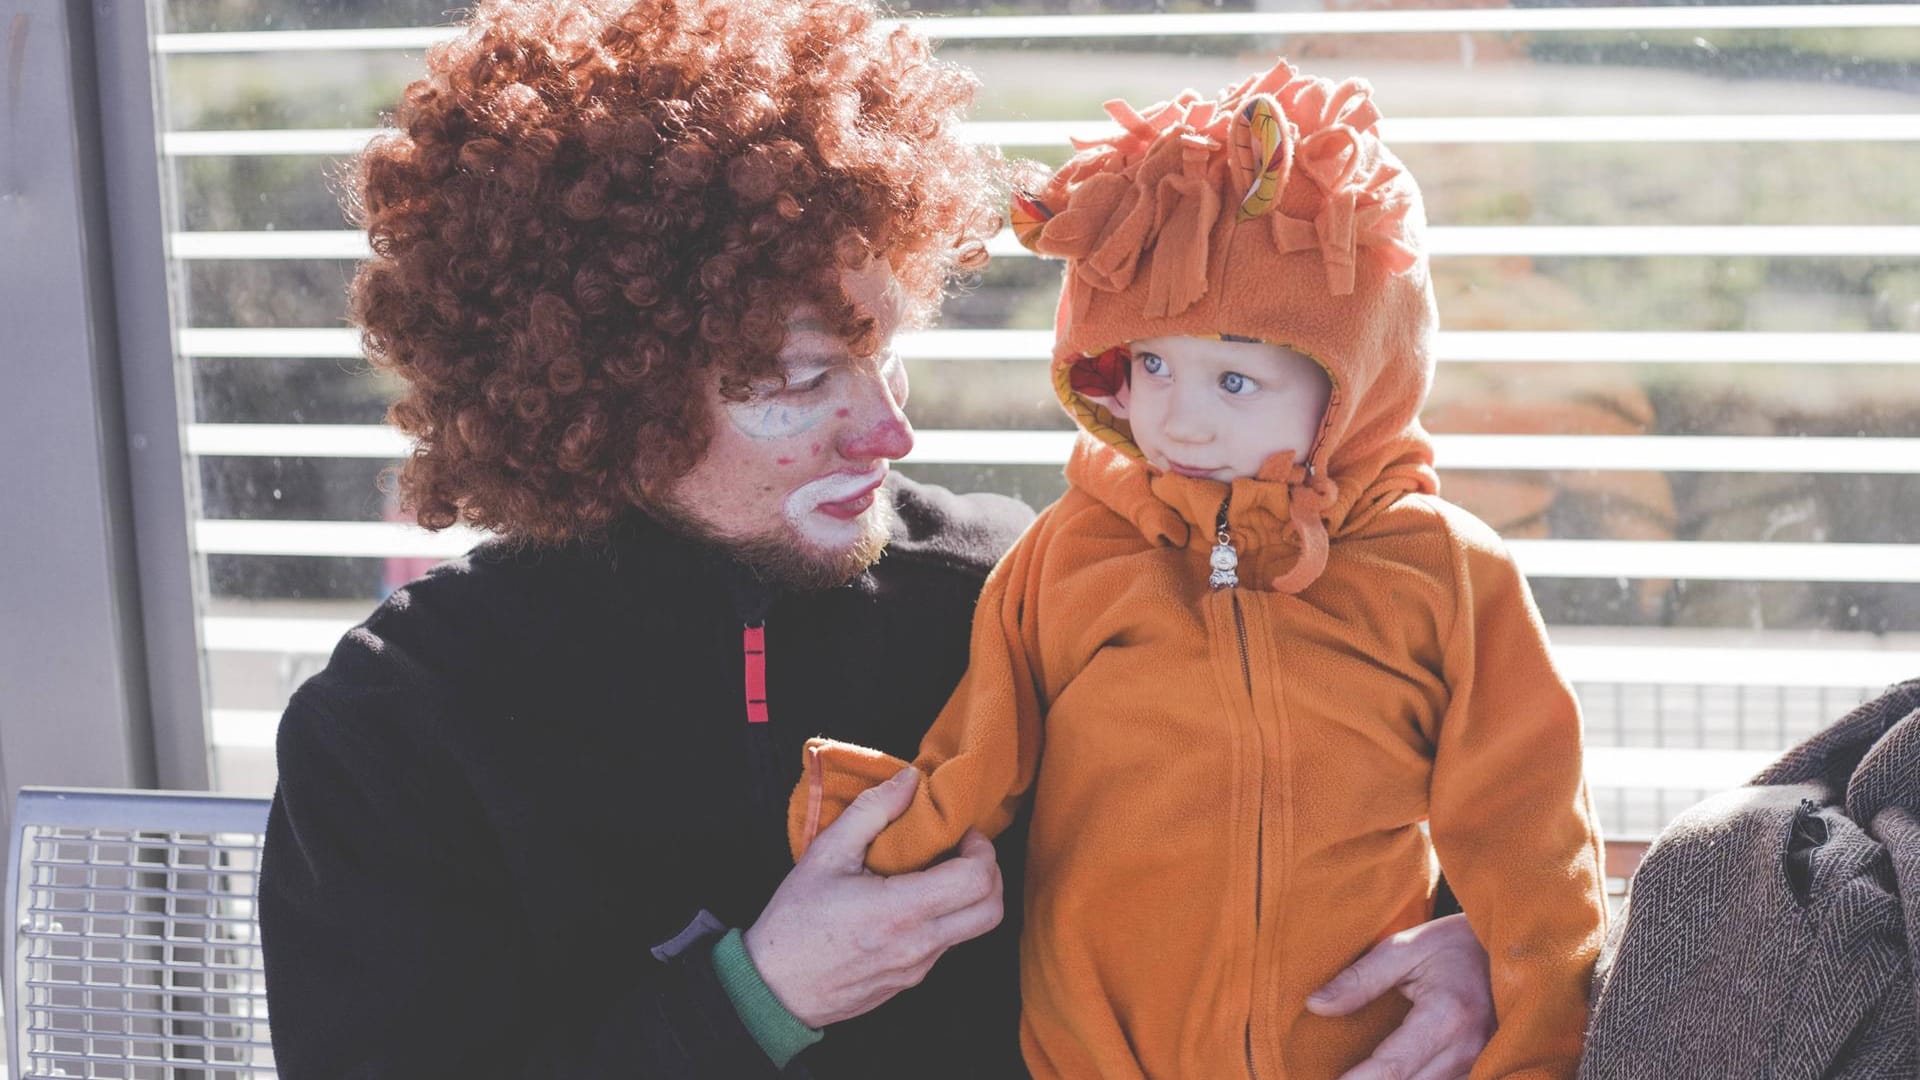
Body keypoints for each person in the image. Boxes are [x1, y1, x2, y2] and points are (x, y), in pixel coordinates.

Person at [257, 2, 1501, 1076]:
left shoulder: (1024, 591)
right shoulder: (398, 728)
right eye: (801, 382)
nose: (889, 433)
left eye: (885, 353)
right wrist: (758, 999)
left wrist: (1458, 943)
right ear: (596, 389)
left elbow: (1315, 784)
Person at [788, 59, 1609, 1079]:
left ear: (1353, 384)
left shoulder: (1444, 575)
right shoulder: (1071, 553)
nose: (1179, 417)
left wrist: (1534, 1051)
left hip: (1359, 1054)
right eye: (1150, 365)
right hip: (1097, 1050)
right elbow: (980, 750)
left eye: (1234, 377)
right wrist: (884, 838)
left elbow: (1530, 842)